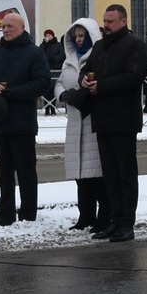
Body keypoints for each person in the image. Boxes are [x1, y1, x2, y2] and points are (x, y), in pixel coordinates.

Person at [81, 4, 147, 242]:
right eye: (105, 21)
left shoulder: (135, 45)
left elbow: (134, 77)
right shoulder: (99, 46)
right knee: (110, 176)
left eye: (111, 21)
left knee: (125, 175)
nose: (106, 25)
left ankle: (127, 223)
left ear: (123, 21)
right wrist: (84, 81)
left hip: (124, 119)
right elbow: (87, 70)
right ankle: (114, 219)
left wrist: (102, 86)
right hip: (102, 119)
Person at [0, 10, 50, 226]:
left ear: (22, 28)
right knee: (4, 172)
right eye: (3, 26)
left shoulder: (34, 53)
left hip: (23, 121)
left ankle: (28, 214)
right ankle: (6, 214)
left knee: (26, 171)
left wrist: (14, 92)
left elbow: (42, 83)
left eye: (10, 26)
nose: (5, 29)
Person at [56, 20, 105, 232]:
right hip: (75, 122)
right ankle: (85, 216)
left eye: (82, 36)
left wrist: (82, 94)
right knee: (80, 175)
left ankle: (104, 216)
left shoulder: (97, 57)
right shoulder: (69, 61)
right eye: (75, 36)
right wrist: (62, 95)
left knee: (97, 174)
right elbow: (59, 82)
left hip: (93, 120)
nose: (78, 40)